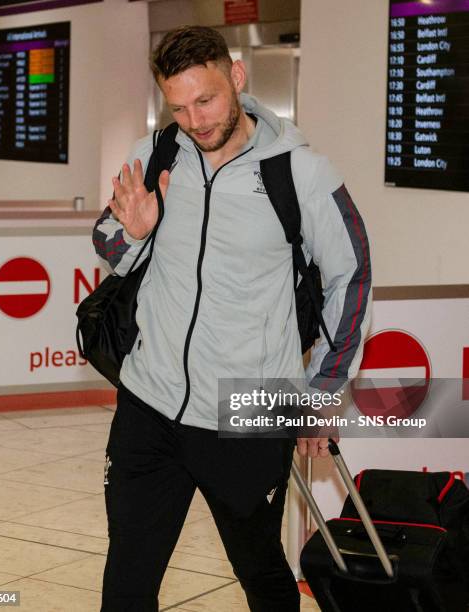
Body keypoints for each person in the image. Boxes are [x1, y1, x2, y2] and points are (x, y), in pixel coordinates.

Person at [93, 25, 371, 612]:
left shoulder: (301, 173)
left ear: (236, 78)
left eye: (206, 99)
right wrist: (136, 234)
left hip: (248, 405)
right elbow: (111, 245)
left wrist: (320, 396)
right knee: (126, 585)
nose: (194, 120)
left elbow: (352, 277)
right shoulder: (156, 154)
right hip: (150, 398)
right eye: (178, 106)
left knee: (263, 577)